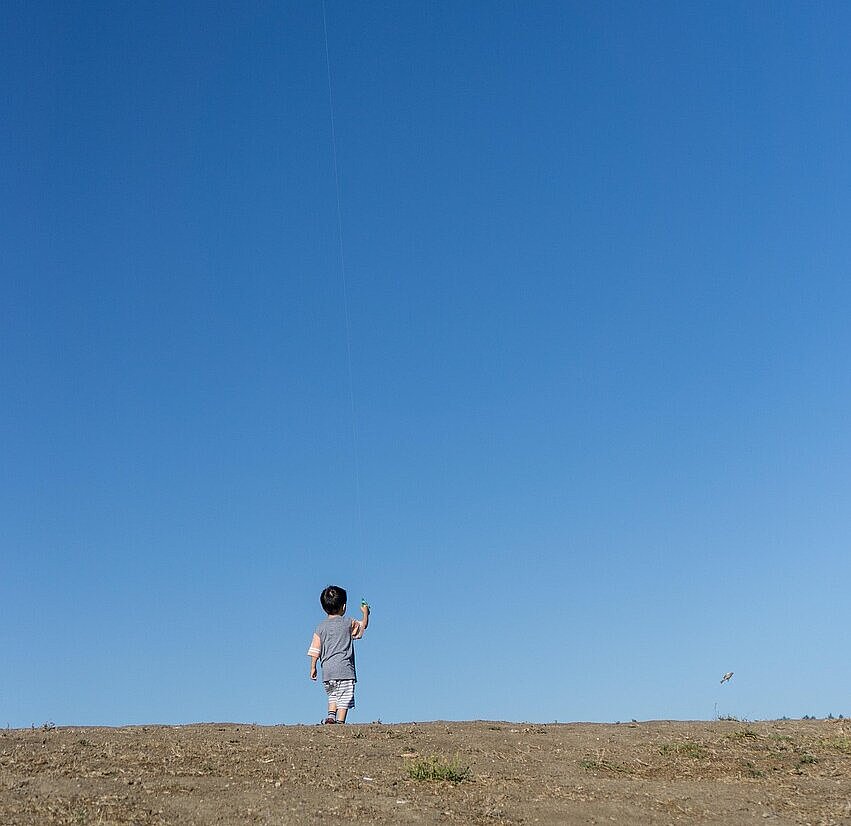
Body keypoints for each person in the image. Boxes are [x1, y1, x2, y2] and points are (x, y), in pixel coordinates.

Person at [307, 585, 370, 724]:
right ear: (344, 606)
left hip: (327, 671)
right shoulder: (348, 623)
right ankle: (340, 722)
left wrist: (313, 667)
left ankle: (330, 717)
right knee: (344, 696)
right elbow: (363, 626)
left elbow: (315, 649)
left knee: (333, 694)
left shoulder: (320, 627)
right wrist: (365, 613)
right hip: (344, 669)